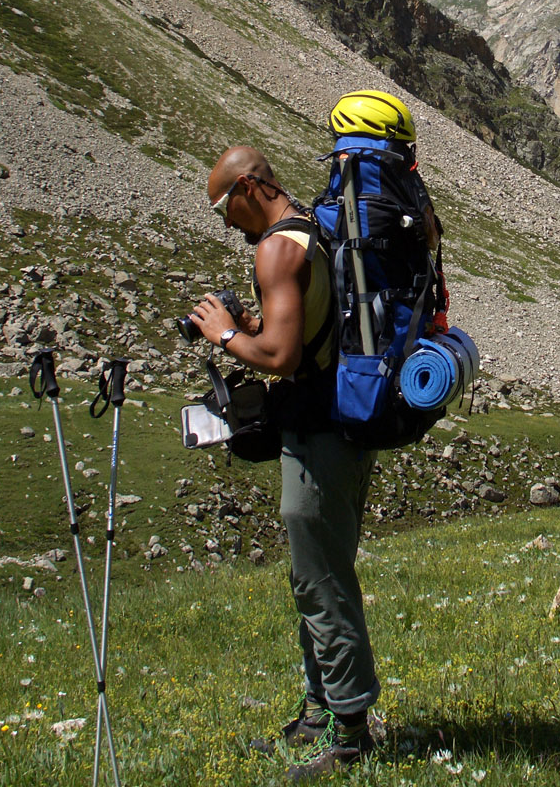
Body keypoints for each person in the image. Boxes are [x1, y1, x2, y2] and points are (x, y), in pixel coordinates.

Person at [189, 145, 379, 780]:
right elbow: (298, 328)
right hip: (344, 422)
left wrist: (224, 332)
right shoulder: (312, 224)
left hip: (318, 430)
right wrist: (252, 319)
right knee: (316, 571)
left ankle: (350, 729)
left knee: (321, 579)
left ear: (247, 186)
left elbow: (280, 358)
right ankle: (319, 709)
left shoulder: (275, 248)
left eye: (224, 208)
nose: (225, 223)